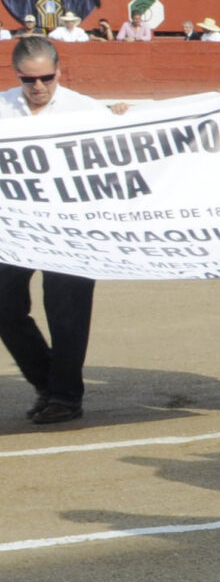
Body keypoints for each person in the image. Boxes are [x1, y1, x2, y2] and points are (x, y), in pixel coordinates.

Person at [0, 36, 127, 424]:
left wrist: (127, 124)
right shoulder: (1, 107)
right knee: (4, 307)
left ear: (59, 70)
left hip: (71, 229)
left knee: (67, 312)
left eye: (46, 78)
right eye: (29, 79)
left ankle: (66, 396)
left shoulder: (87, 110)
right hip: (12, 229)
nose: (38, 87)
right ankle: (47, 382)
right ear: (16, 74)